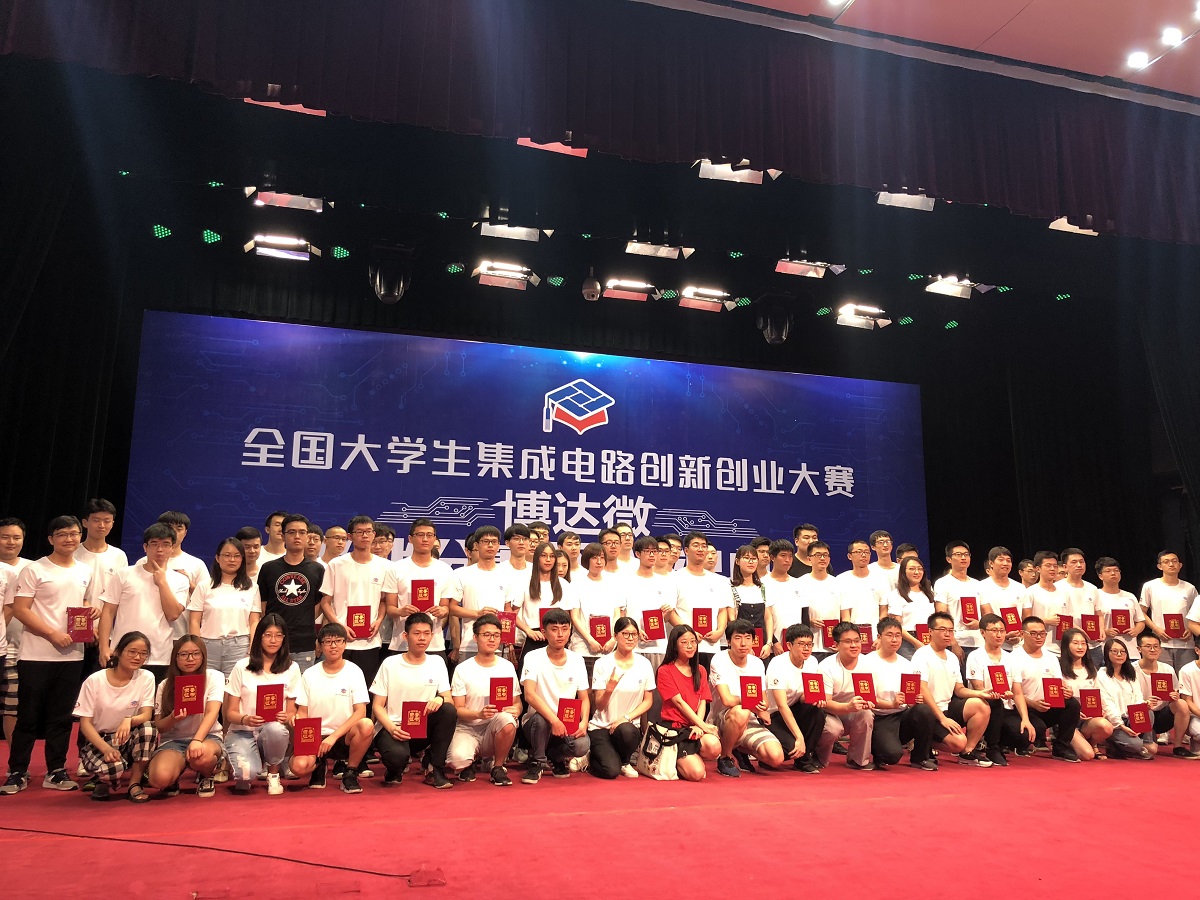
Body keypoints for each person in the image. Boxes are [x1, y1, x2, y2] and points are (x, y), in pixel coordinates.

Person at [1, 516, 94, 795]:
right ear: (51, 539)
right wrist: (52, 634)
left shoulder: (85, 570)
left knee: (61, 717)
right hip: (35, 655)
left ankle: (56, 770)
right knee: (28, 716)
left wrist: (91, 611)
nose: (69, 539)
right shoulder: (35, 569)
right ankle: (17, 771)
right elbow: (21, 609)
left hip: (72, 655)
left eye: (74, 533)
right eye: (62, 534)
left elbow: (84, 602)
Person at [370, 613, 457, 789]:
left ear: (432, 636)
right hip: (394, 727)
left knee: (448, 710)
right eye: (416, 633)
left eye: (426, 633)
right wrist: (391, 728)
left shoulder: (437, 662)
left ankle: (435, 768)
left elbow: (448, 698)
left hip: (421, 727)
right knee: (397, 757)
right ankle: (394, 770)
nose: (422, 638)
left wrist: (440, 698)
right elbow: (377, 706)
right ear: (405, 636)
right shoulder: (390, 664)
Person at [97, 523, 190, 682]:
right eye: (154, 544)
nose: (159, 549)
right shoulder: (124, 574)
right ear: (145, 547)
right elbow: (108, 612)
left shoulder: (180, 580)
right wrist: (104, 647)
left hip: (159, 655)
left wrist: (162, 582)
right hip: (123, 651)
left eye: (165, 544)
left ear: (172, 548)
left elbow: (173, 614)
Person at [223, 614, 304, 795]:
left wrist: (286, 716)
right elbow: (230, 713)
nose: (273, 640)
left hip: (271, 731)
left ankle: (273, 774)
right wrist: (246, 719)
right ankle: (248, 761)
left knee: (276, 729)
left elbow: (291, 712)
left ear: (284, 639)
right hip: (242, 731)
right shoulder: (242, 666)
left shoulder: (292, 668)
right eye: (268, 635)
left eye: (278, 635)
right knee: (245, 776)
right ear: (259, 637)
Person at [74, 630, 156, 801]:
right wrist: (106, 749)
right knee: (113, 769)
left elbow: (147, 714)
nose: (137, 657)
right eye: (132, 652)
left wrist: (129, 720)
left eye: (143, 654)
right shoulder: (95, 680)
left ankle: (134, 784)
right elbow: (85, 724)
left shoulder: (146, 677)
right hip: (100, 741)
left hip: (127, 738)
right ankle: (102, 781)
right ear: (118, 652)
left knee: (149, 729)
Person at [292, 622, 374, 793]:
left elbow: (361, 712)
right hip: (316, 737)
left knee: (366, 724)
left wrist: (334, 736)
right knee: (298, 767)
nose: (333, 646)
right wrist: (298, 720)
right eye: (328, 642)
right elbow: (303, 711)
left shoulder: (354, 671)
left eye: (338, 641)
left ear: (345, 643)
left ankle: (350, 772)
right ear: (320, 646)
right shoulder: (310, 674)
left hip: (344, 736)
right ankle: (318, 765)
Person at [320, 515, 396, 688]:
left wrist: (379, 620)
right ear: (350, 536)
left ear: (374, 534)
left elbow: (384, 601)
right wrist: (339, 626)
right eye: (359, 532)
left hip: (370, 640)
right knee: (337, 688)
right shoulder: (336, 564)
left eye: (368, 531)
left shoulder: (385, 566)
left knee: (366, 689)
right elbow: (325, 602)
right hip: (341, 640)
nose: (365, 536)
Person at [910, 611, 994, 766]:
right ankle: (924, 739)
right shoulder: (922, 654)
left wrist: (980, 693)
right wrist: (942, 719)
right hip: (928, 712)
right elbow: (922, 688)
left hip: (947, 707)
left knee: (981, 705)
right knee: (958, 742)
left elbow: (959, 689)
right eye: (942, 630)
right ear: (930, 631)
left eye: (950, 630)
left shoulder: (952, 657)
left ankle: (967, 752)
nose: (947, 634)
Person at [448, 614, 522, 786]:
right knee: (457, 761)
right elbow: (457, 709)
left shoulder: (507, 667)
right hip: (468, 727)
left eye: (496, 635)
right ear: (475, 637)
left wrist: (517, 710)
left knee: (507, 720)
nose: (492, 639)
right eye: (486, 635)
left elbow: (517, 702)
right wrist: (478, 714)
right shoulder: (463, 669)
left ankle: (498, 766)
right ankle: (470, 763)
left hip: (494, 726)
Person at [147, 634, 225, 798]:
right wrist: (172, 718)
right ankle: (174, 775)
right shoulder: (165, 685)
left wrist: (197, 740)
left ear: (203, 656)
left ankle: (206, 775)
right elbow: (160, 726)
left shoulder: (214, 677)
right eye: (183, 654)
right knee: (159, 779)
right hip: (175, 740)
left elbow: (212, 712)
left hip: (207, 737)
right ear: (175, 657)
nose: (190, 659)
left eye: (196, 654)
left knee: (201, 757)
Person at [519, 608, 589, 781]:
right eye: (554, 629)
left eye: (565, 629)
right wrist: (554, 720)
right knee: (540, 720)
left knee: (582, 745)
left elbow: (584, 698)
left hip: (567, 722)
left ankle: (555, 756)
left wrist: (584, 722)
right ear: (544, 632)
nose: (560, 634)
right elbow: (529, 695)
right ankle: (537, 762)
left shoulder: (577, 660)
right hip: (537, 722)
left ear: (570, 631)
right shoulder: (533, 657)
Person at [708, 619, 785, 776]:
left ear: (753, 641)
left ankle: (739, 749)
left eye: (748, 638)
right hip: (723, 719)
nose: (743, 643)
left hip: (749, 720)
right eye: (738, 638)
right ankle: (725, 757)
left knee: (776, 758)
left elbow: (763, 701)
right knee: (740, 711)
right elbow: (727, 700)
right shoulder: (719, 659)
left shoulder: (757, 663)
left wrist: (762, 708)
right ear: (728, 641)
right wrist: (750, 703)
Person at [862, 616, 937, 769]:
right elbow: (866, 698)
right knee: (891, 755)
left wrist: (914, 700)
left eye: (898, 635)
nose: (894, 640)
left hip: (901, 715)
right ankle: (878, 749)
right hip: (879, 717)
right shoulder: (866, 662)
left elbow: (910, 695)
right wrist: (891, 704)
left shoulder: (907, 664)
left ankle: (920, 757)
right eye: (889, 635)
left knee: (923, 710)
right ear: (879, 637)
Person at [1007, 615, 1082, 762]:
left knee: (1072, 704)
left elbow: (1058, 684)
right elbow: (1013, 693)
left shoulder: (1051, 657)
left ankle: (1061, 746)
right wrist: (1033, 704)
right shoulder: (1013, 658)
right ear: (1022, 634)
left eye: (1042, 633)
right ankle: (1012, 741)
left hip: (1046, 706)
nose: (1039, 637)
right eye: (1033, 633)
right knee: (1037, 729)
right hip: (1022, 708)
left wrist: (1066, 692)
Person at [588, 617, 654, 778]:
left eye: (634, 634)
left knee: (627, 731)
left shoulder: (644, 664)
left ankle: (625, 761)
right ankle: (590, 758)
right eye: (625, 634)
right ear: (615, 635)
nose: (630, 638)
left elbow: (648, 701)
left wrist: (626, 718)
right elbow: (599, 705)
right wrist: (609, 689)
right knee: (610, 771)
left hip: (627, 728)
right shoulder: (602, 663)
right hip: (601, 727)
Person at [257, 514, 324, 672]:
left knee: (302, 686)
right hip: (274, 643)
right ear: (283, 535)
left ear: (307, 536)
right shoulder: (268, 568)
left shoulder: (317, 569)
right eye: (292, 532)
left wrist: (304, 618)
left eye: (302, 532)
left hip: (304, 642)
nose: (297, 536)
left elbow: (321, 604)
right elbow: (262, 606)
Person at [186, 537, 260, 677]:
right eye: (227, 555)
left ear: (242, 559)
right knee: (207, 684)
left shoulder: (252, 587)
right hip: (208, 645)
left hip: (239, 646)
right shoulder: (204, 586)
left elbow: (254, 621)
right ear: (217, 558)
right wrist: (197, 648)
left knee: (235, 686)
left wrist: (253, 647)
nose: (232, 560)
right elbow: (194, 621)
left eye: (237, 556)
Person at [656, 624, 720, 780]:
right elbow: (679, 703)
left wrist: (699, 725)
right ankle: (677, 757)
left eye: (693, 641)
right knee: (696, 774)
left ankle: (690, 756)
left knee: (714, 747)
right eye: (684, 642)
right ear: (674, 645)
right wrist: (702, 725)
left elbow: (703, 700)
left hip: (694, 726)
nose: (690, 646)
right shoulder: (664, 670)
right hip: (674, 728)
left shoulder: (700, 670)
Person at [386, 518, 453, 663]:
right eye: (420, 535)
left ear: (434, 538)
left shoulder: (444, 569)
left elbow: (446, 607)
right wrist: (401, 611)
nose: (425, 539)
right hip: (402, 642)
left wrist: (442, 611)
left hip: (434, 643)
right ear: (410, 539)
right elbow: (390, 609)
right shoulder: (396, 568)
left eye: (430, 535)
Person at [815, 622, 877, 770]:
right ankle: (818, 757)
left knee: (866, 713)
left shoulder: (868, 663)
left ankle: (857, 760)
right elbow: (826, 702)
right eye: (848, 642)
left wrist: (868, 702)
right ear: (836, 645)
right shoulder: (826, 666)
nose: (854, 645)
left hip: (852, 711)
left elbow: (870, 695)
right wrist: (848, 706)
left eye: (857, 641)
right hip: (829, 712)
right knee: (833, 728)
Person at [764, 624, 825, 773]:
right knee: (789, 749)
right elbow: (781, 705)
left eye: (809, 644)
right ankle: (765, 757)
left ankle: (804, 760)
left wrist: (814, 698)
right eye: (801, 644)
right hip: (773, 714)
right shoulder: (778, 664)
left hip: (795, 708)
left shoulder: (812, 662)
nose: (806, 649)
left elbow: (804, 696)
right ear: (789, 645)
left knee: (817, 710)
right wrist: (799, 737)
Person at [445, 526, 508, 664]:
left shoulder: (507, 574)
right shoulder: (462, 574)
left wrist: (508, 641)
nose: (490, 545)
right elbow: (452, 608)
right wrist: (477, 613)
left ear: (499, 545)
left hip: (498, 645)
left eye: (494, 542)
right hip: (470, 644)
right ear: (477, 545)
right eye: (485, 541)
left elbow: (508, 611)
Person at [965, 613, 1019, 766]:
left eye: (1002, 631)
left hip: (1007, 706)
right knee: (995, 703)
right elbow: (979, 688)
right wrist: (995, 694)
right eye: (994, 631)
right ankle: (992, 747)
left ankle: (1001, 744)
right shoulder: (975, 656)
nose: (999, 635)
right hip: (986, 704)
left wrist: (1026, 719)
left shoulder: (1011, 658)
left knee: (1023, 734)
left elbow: (1018, 691)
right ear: (983, 632)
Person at [509, 542, 577, 664]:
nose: (548, 560)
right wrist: (528, 631)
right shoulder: (525, 583)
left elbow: (568, 617)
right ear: (537, 558)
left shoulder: (564, 585)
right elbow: (512, 614)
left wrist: (563, 634)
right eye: (544, 556)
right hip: (534, 638)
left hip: (558, 639)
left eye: (552, 556)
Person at [1134, 632, 1198, 758]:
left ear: (1160, 649)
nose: (1152, 650)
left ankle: (1178, 746)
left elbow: (1175, 691)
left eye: (1156, 646)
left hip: (1162, 715)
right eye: (1148, 646)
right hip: (1142, 713)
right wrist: (1145, 702)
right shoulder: (1132, 669)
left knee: (1181, 703)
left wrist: (1174, 696)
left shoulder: (1167, 669)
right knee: (1151, 749)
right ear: (1139, 649)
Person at [668, 531, 726, 671]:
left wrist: (720, 631)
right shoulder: (675, 578)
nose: (700, 549)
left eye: (703, 546)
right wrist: (689, 632)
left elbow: (722, 610)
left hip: (712, 646)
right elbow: (671, 612)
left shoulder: (718, 580)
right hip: (685, 646)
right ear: (686, 550)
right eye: (696, 545)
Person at [569, 540, 625, 681]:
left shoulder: (613, 583)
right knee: (584, 689)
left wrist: (613, 639)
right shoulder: (577, 583)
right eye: (594, 558)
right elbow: (575, 617)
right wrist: (590, 640)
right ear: (587, 560)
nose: (599, 561)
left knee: (605, 689)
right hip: (583, 648)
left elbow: (617, 614)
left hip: (609, 648)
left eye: (602, 557)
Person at [1058, 627, 1114, 760]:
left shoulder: (1090, 668)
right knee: (1087, 755)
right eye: (1075, 643)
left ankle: (1092, 744)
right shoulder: (1058, 668)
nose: (1080, 647)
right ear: (1066, 645)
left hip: (1088, 719)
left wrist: (1102, 710)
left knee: (1106, 726)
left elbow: (1099, 694)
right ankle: (1068, 740)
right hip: (1069, 719)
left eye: (1083, 643)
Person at [1096, 638, 1155, 759]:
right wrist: (1122, 726)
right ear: (1107, 653)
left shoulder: (1130, 673)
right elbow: (1107, 705)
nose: (1119, 654)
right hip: (1114, 722)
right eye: (1114, 651)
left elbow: (1138, 697)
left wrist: (1144, 705)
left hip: (1131, 718)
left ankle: (1141, 744)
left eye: (1122, 651)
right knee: (1136, 745)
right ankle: (1119, 744)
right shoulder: (1102, 675)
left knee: (1148, 712)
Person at [1140, 550, 1197, 673]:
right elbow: (1141, 613)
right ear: (1159, 566)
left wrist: (1191, 629)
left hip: (1185, 643)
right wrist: (1156, 629)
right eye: (1166, 562)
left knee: (1187, 677)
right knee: (1163, 678)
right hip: (1161, 643)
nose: (1171, 564)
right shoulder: (1150, 586)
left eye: (1174, 561)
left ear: (1180, 565)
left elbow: (1197, 614)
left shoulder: (1190, 588)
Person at [0, 517, 29, 746]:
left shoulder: (32, 567)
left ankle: (13, 757)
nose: (11, 542)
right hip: (2, 645)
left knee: (13, 704)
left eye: (16, 537)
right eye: (5, 537)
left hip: (21, 647)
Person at [933, 541, 984, 664]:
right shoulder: (942, 583)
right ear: (949, 559)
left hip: (980, 642)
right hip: (957, 641)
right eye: (958, 554)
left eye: (966, 554)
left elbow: (986, 613)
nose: (963, 558)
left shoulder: (977, 584)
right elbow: (941, 615)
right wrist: (953, 643)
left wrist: (980, 624)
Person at [1095, 557, 1145, 661]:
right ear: (1100, 576)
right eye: (1108, 571)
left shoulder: (1130, 596)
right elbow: (1090, 623)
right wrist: (1105, 631)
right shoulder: (1096, 595)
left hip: (1130, 651)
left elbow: (1140, 621)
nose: (1113, 573)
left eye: (1116, 570)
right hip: (1106, 650)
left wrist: (1136, 630)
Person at [888, 557, 937, 660]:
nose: (916, 572)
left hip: (929, 638)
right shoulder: (896, 595)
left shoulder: (929, 593)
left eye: (920, 569)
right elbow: (896, 625)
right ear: (903, 571)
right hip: (908, 641)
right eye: (912, 569)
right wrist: (916, 642)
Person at [796, 541, 839, 660]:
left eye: (825, 555)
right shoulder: (800, 583)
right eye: (818, 555)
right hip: (809, 645)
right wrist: (808, 621)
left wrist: (841, 640)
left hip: (833, 645)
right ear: (809, 558)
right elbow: (795, 613)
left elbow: (845, 615)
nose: (822, 558)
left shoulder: (838, 583)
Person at [977, 547, 1025, 650]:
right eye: (1001, 560)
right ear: (991, 563)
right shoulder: (981, 586)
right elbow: (987, 615)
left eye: (1008, 560)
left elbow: (1026, 617)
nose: (1005, 563)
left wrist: (1021, 636)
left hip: (1018, 645)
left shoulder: (1020, 588)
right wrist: (1003, 635)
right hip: (993, 646)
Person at [837, 540, 887, 637]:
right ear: (849, 556)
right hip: (851, 634)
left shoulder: (880, 578)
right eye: (859, 552)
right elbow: (844, 614)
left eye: (866, 552)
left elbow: (883, 611)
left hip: (875, 634)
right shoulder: (841, 580)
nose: (863, 555)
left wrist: (880, 635)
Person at [1022, 551, 1067, 656]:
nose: (1052, 569)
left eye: (1055, 566)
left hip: (1062, 647)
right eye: (1048, 566)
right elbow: (1026, 620)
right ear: (1038, 569)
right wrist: (1046, 621)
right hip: (1040, 647)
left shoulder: (1064, 592)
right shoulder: (1030, 592)